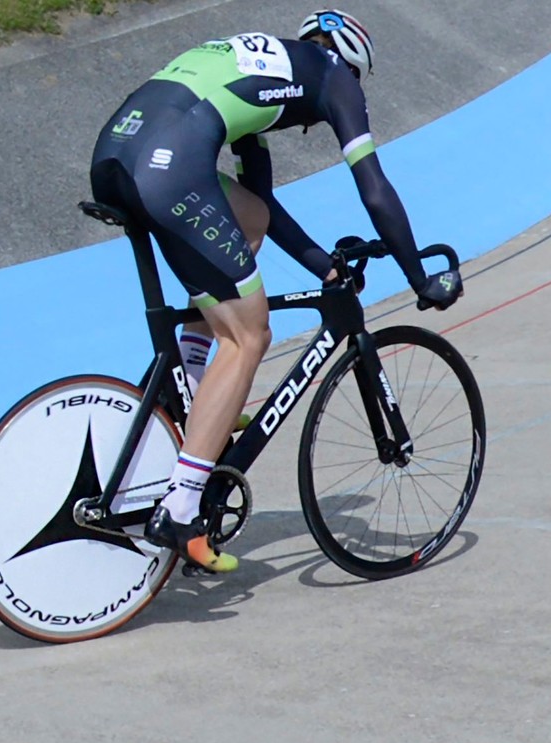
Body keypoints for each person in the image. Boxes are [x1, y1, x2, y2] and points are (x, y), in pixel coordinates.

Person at [89, 9, 463, 573]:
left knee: (248, 219)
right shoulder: (336, 76)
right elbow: (375, 190)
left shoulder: (269, 69)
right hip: (171, 163)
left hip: (120, 149)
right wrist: (419, 277)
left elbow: (259, 204)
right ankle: (182, 506)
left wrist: (323, 268)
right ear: (351, 60)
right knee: (249, 336)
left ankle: (188, 388)